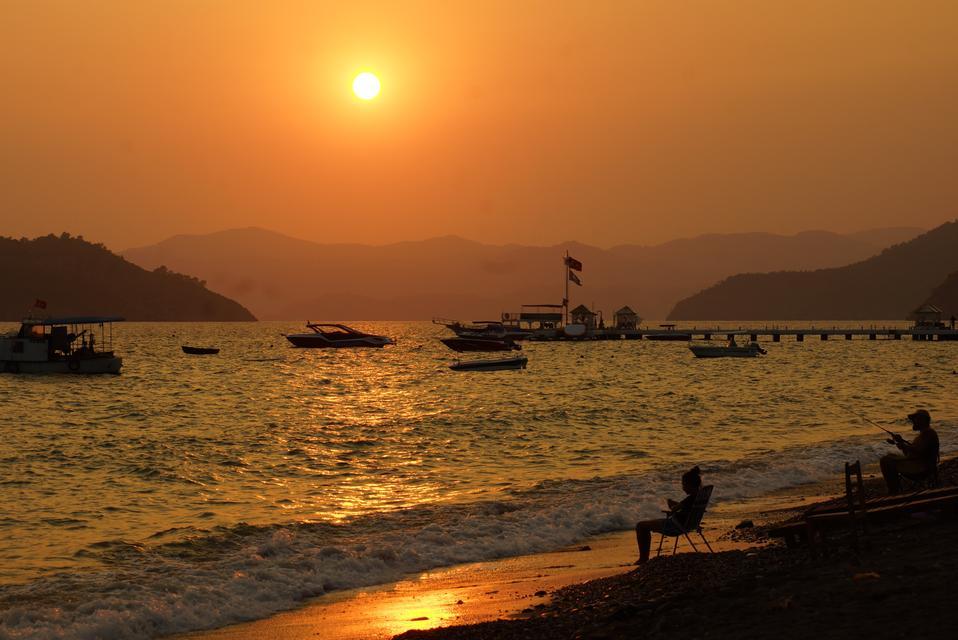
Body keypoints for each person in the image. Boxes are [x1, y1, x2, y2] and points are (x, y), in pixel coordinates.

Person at [635, 466, 702, 564]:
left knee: (641, 526)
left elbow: (673, 510)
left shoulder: (689, 499)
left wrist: (671, 504)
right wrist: (676, 505)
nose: (683, 487)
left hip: (674, 526)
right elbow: (683, 508)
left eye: (684, 485)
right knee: (644, 525)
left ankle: (643, 558)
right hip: (688, 525)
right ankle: (644, 558)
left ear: (690, 485)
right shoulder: (699, 497)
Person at [879, 409, 939, 494]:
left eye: (916, 419)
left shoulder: (928, 433)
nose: (913, 421)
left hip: (921, 469)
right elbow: (911, 453)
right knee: (890, 456)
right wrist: (900, 442)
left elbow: (919, 452)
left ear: (923, 420)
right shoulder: (924, 434)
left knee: (885, 461)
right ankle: (894, 491)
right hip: (918, 465)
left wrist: (904, 445)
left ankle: (893, 492)